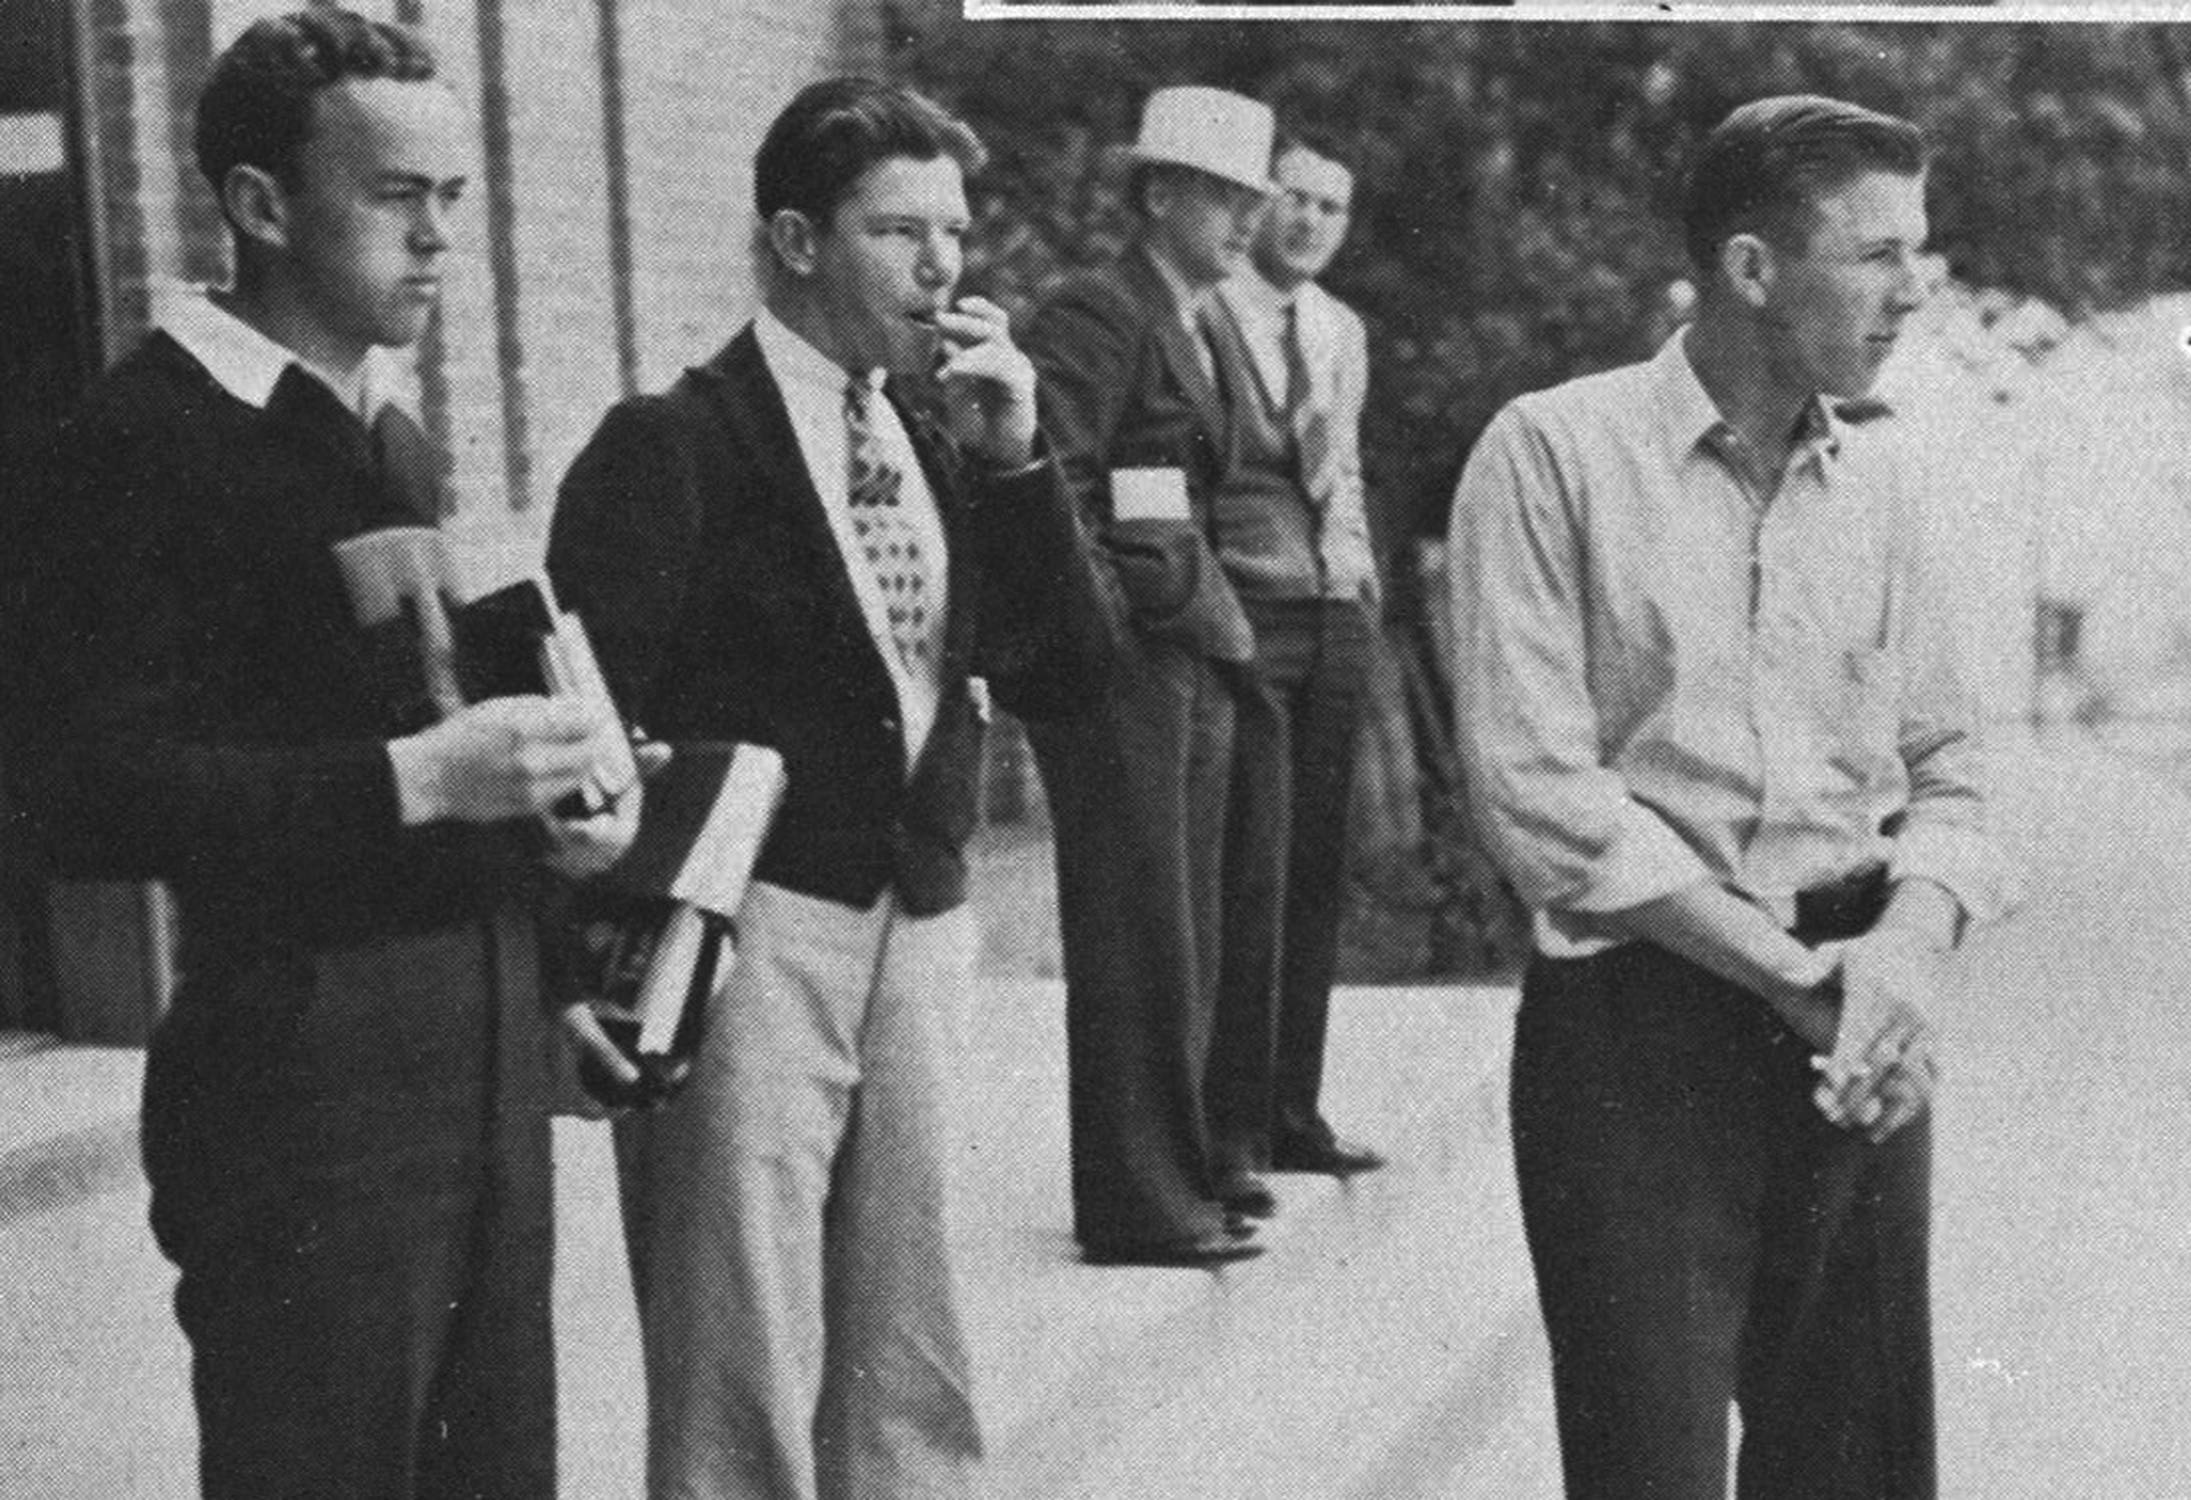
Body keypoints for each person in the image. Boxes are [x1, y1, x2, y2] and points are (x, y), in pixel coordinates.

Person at [13, 10, 645, 1496]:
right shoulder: (136, 443)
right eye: (395, 197)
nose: (437, 240)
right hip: (302, 1081)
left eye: (452, 202)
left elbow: (437, 736)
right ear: (258, 205)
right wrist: (425, 780)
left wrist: (548, 942)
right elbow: (73, 793)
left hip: (478, 1045)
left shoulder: (390, 433)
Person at [548, 76, 1115, 1500]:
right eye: (895, 231)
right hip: (751, 934)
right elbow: (582, 719)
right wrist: (582, 962)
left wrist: (1016, 463)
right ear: (796, 240)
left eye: (953, 232)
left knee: (908, 1337)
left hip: (915, 923)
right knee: (736, 1339)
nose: (940, 268)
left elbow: (1069, 673)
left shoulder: (936, 433)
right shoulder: (670, 442)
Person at [1450, 95, 2010, 1499]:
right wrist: (1784, 973)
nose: (1911, 286)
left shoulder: (1881, 485)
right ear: (1752, 269)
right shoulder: (1550, 456)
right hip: (1639, 1028)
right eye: (1875, 253)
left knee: (1853, 1468)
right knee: (1649, 1471)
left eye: (1916, 249)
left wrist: (1902, 950)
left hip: (1851, 1030)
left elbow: (1950, 769)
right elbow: (1536, 797)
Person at [1020, 84, 1277, 1267]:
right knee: (1136, 933)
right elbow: (1051, 480)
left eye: (1250, 199)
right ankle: (1138, 1200)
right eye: (1222, 195)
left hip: (1191, 653)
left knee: (1187, 930)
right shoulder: (1096, 310)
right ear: (1159, 193)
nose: (1243, 221)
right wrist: (1112, 625)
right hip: (1125, 666)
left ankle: (1190, 1173)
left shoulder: (1203, 320)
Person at [1203, 131, 1386, 1183]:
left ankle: (1290, 1111)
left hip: (1334, 610)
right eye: (1295, 199)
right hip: (1251, 611)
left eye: (1333, 206)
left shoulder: (1338, 328)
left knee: (1316, 869)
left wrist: (1355, 583)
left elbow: (1343, 468)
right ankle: (1227, 1125)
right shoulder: (1211, 310)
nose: (1312, 222)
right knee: (1250, 873)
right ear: (1258, 201)